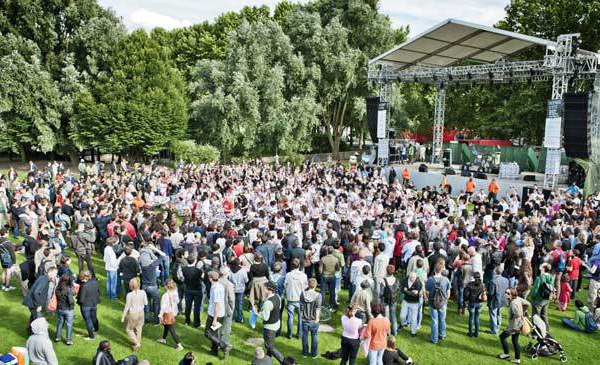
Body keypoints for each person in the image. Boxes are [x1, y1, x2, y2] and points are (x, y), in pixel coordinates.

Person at [498, 288, 530, 364]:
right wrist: (523, 311)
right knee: (515, 341)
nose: (506, 294)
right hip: (519, 324)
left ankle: (506, 354)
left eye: (508, 293)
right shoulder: (518, 299)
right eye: (506, 292)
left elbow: (518, 314)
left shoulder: (513, 303)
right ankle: (517, 359)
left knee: (502, 337)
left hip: (514, 326)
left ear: (512, 294)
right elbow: (527, 303)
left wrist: (512, 316)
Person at [205, 271, 229, 358]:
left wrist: (214, 319)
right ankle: (214, 351)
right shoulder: (219, 285)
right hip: (219, 313)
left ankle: (224, 346)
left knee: (208, 333)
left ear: (211, 278)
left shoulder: (215, 289)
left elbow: (217, 304)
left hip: (215, 315)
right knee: (214, 334)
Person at [425, 262, 451, 344]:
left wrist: (429, 298)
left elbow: (427, 292)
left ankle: (434, 339)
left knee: (434, 320)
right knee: (442, 319)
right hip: (443, 302)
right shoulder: (446, 280)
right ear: (442, 270)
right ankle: (442, 334)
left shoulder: (430, 279)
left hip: (432, 302)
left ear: (434, 270)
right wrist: (446, 300)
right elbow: (448, 293)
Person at [260, 281, 284, 364]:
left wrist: (257, 313)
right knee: (270, 344)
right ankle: (268, 359)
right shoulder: (277, 296)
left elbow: (265, 318)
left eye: (264, 288)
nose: (263, 289)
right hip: (276, 323)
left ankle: (284, 361)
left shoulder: (268, 303)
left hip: (270, 327)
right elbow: (279, 307)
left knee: (269, 346)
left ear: (269, 289)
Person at [284, 258, 307, 339]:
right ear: (299, 265)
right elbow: (306, 287)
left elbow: (285, 285)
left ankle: (289, 334)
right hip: (300, 298)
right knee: (300, 318)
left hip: (291, 298)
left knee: (290, 317)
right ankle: (299, 334)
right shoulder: (303, 276)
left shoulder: (288, 275)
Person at [122, 277, 147, 351]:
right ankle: (137, 345)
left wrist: (123, 316)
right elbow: (146, 303)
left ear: (131, 286)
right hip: (141, 313)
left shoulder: (129, 295)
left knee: (129, 330)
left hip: (133, 314)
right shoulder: (143, 292)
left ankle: (137, 343)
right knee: (139, 329)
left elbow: (127, 307)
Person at [157, 279, 183, 350]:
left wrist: (160, 315)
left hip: (167, 313)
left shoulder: (165, 295)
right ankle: (163, 338)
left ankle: (179, 345)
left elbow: (163, 307)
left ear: (165, 286)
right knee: (166, 326)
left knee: (171, 329)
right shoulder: (175, 293)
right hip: (173, 313)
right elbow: (177, 302)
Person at [300, 278, 321, 359]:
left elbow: (301, 307)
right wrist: (317, 319)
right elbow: (318, 308)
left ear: (308, 285)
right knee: (314, 336)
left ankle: (305, 353)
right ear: (315, 285)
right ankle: (314, 354)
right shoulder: (318, 295)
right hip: (314, 320)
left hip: (304, 319)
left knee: (304, 336)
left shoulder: (302, 294)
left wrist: (301, 317)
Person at [77, 270, 100, 340]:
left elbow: (82, 299)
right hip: (94, 303)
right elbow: (98, 292)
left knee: (88, 320)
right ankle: (96, 330)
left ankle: (91, 336)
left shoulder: (84, 286)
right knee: (94, 317)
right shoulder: (95, 282)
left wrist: (78, 301)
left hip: (86, 305)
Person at [530, 263, 554, 330]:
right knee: (544, 315)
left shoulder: (539, 278)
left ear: (543, 269)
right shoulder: (552, 277)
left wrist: (532, 297)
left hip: (539, 299)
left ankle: (536, 331)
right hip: (547, 299)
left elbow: (535, 290)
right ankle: (546, 329)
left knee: (536, 316)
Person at [182, 255, 203, 328]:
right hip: (197, 290)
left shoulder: (184, 269)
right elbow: (202, 278)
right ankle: (196, 323)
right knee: (196, 307)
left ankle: (187, 320)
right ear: (194, 261)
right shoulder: (198, 270)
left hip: (188, 289)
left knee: (188, 306)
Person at [54, 274, 75, 345]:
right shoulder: (69, 289)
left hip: (59, 308)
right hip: (68, 309)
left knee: (60, 323)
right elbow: (71, 301)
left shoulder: (57, 288)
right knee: (69, 325)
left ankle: (57, 337)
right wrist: (72, 305)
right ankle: (68, 340)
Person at [488, 265, 509, 335]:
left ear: (495, 271)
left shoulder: (493, 281)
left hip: (495, 300)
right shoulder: (506, 280)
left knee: (493, 314)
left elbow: (491, 293)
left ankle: (494, 331)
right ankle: (498, 326)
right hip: (502, 300)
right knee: (498, 313)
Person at [399, 270, 420, 337]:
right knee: (402, 316)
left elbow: (415, 295)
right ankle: (402, 324)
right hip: (405, 301)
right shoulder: (405, 280)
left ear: (416, 277)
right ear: (409, 276)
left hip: (414, 303)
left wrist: (407, 291)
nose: (412, 279)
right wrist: (410, 291)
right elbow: (401, 288)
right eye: (411, 277)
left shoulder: (418, 283)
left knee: (413, 318)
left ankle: (413, 332)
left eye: (413, 277)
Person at [464, 271, 485, 337]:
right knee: (477, 318)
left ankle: (470, 333)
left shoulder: (470, 284)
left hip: (472, 303)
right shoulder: (482, 284)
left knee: (471, 318)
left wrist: (466, 300)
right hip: (479, 303)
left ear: (473, 277)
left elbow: (466, 295)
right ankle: (476, 333)